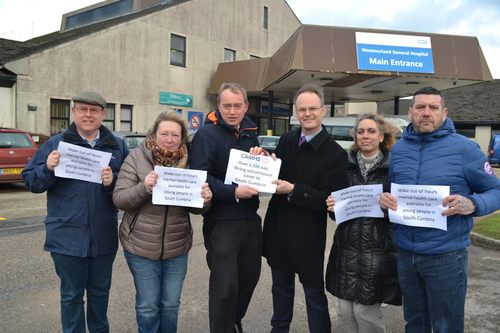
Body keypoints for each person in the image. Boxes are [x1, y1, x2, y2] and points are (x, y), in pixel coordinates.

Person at [379, 86, 500, 333]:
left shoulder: (465, 149)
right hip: (406, 253)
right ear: (411, 112)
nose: (426, 112)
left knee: (447, 326)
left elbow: (496, 191)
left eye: (433, 107)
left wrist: (473, 204)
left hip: (446, 256)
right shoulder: (399, 150)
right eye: (421, 107)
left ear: (443, 113)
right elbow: (394, 191)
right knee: (415, 324)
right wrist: (386, 201)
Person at [21, 91, 129, 333]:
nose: (88, 115)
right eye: (82, 109)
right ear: (74, 112)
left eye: (94, 111)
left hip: (103, 236)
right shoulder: (56, 144)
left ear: (103, 115)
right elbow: (30, 182)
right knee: (71, 296)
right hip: (66, 236)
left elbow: (130, 187)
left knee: (100, 294)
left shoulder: (117, 146)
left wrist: (114, 180)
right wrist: (47, 169)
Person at [112, 111, 212, 333]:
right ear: (154, 135)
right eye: (164, 133)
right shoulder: (137, 158)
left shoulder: (190, 162)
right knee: (148, 308)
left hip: (177, 247)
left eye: (175, 135)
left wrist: (205, 200)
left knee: (170, 306)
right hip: (141, 246)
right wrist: (144, 187)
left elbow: (196, 209)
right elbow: (119, 199)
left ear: (182, 138)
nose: (169, 139)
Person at [263, 84, 348, 333]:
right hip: (278, 229)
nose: (307, 113)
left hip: (307, 235)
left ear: (322, 111)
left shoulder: (335, 154)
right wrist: (261, 163)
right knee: (280, 288)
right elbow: (274, 176)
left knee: (313, 293)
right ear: (295, 113)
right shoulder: (286, 139)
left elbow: (328, 201)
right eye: (302, 109)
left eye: (312, 108)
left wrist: (294, 190)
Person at [190, 82, 263, 333]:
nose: (232, 111)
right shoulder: (206, 135)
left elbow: (252, 168)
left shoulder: (250, 131)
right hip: (222, 220)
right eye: (226, 106)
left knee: (250, 277)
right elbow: (199, 175)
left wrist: (264, 161)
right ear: (218, 106)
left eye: (237, 106)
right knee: (225, 286)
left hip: (250, 218)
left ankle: (233, 320)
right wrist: (233, 192)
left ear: (246, 106)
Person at [325, 113, 402, 333]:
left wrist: (389, 208)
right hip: (346, 250)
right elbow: (336, 214)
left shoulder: (394, 168)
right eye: (360, 132)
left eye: (371, 131)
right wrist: (331, 206)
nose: (365, 136)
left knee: (366, 314)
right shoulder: (344, 166)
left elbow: (403, 211)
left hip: (377, 251)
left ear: (381, 137)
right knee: (346, 313)